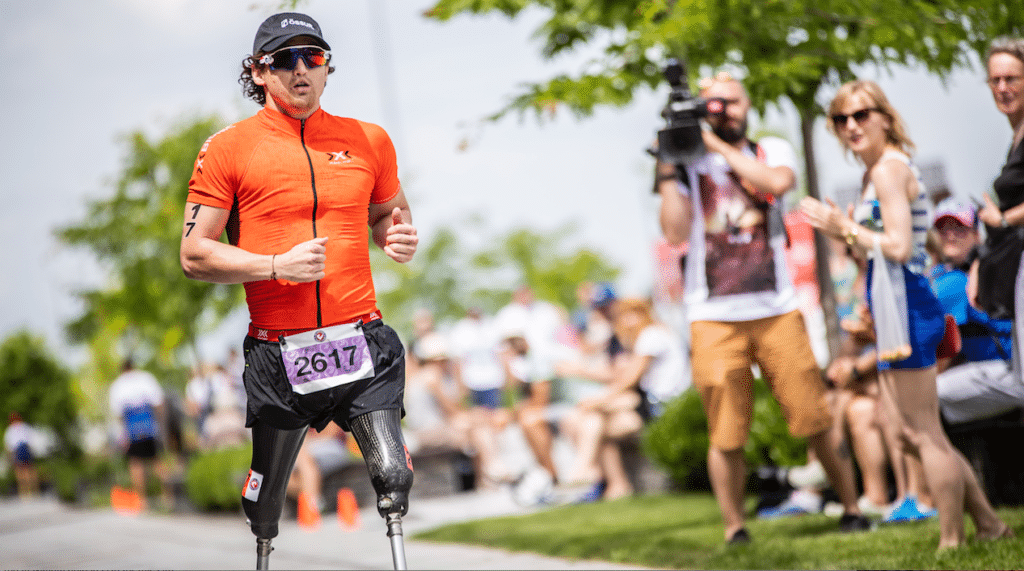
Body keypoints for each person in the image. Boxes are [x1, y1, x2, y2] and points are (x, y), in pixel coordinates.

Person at [178, 12, 418, 566]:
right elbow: (194, 254)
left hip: (360, 339)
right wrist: (274, 264)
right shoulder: (228, 148)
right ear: (259, 72)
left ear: (328, 66)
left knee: (393, 475)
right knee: (266, 501)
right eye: (285, 59)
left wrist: (395, 235)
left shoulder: (369, 139)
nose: (301, 69)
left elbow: (390, 212)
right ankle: (263, 536)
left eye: (313, 56)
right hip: (278, 352)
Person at [655, 72, 869, 544]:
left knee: (814, 416)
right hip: (712, 316)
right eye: (713, 105)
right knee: (726, 432)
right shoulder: (687, 161)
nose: (723, 112)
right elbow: (674, 232)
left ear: (747, 104)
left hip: (777, 309)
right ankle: (735, 527)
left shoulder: (770, 149)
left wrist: (715, 145)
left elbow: (776, 184)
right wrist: (669, 170)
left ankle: (852, 508)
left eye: (730, 102)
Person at [800, 79, 1011, 549]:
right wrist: (847, 232)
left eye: (861, 114)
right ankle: (990, 525)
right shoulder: (876, 173)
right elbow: (887, 247)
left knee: (922, 433)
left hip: (909, 306)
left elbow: (897, 247)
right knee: (913, 435)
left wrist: (845, 228)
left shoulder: (889, 171)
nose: (851, 125)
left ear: (884, 117)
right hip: (894, 308)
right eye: (841, 118)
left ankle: (952, 541)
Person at [564, 298, 688, 501]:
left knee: (593, 419)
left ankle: (591, 470)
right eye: (623, 316)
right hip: (654, 404)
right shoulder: (649, 336)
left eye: (632, 314)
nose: (627, 321)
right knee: (593, 421)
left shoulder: (651, 335)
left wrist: (597, 400)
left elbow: (629, 379)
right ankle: (610, 481)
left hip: (662, 407)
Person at [932, 199, 1021, 423]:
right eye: (943, 229)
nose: (950, 235)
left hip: (1012, 368)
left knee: (927, 394)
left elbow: (942, 350)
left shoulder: (954, 281)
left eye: (959, 228)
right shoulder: (945, 272)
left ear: (976, 234)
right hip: (993, 369)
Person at [968, 37, 1024, 383]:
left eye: (1011, 78)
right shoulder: (1016, 134)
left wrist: (1003, 218)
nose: (1002, 88)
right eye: (995, 80)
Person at [108, 358, 173, 510]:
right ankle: (168, 496)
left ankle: (142, 500)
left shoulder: (117, 385)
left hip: (131, 426)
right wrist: (161, 425)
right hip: (149, 423)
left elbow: (118, 413)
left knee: (136, 463)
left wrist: (123, 433)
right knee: (156, 460)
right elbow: (159, 403)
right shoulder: (145, 378)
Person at [4, 412, 41, 498]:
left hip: (18, 450)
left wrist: (9, 455)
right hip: (26, 448)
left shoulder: (10, 430)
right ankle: (35, 491)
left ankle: (24, 492)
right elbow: (31, 439)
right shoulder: (25, 426)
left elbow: (9, 445)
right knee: (30, 470)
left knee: (20, 471)